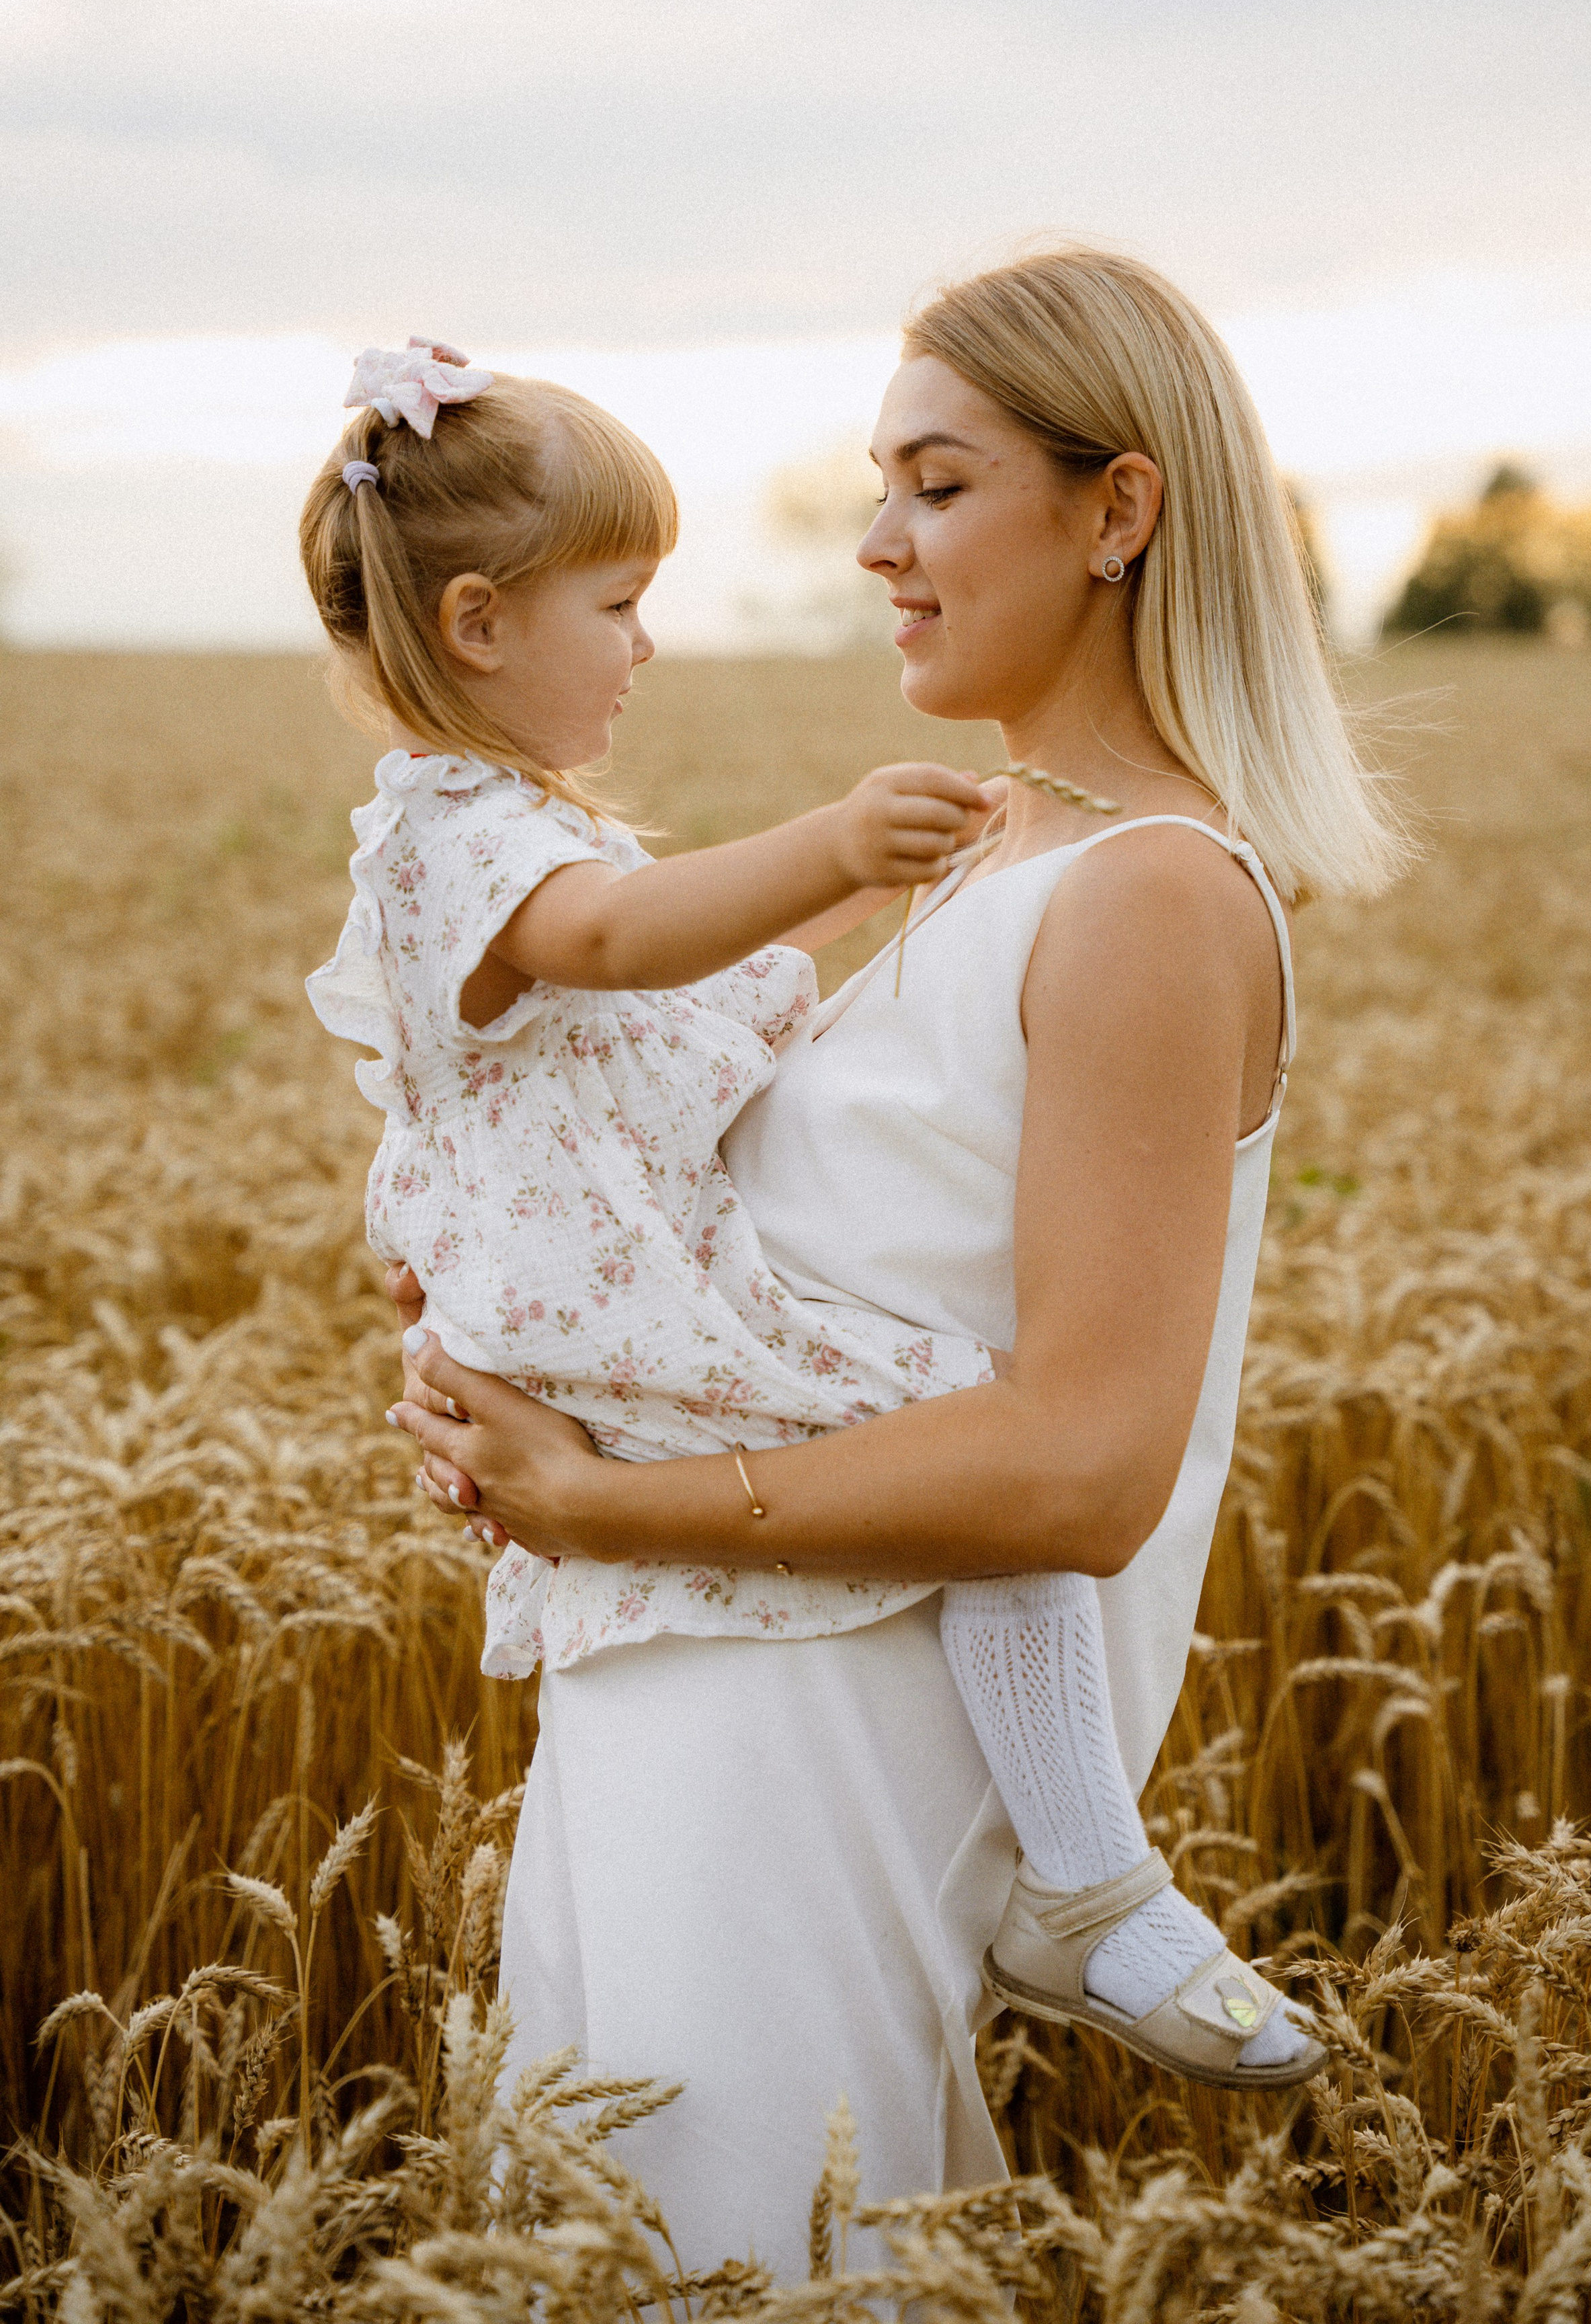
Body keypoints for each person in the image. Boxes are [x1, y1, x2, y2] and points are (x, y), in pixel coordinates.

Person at [380, 254, 1408, 2272]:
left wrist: (600, 1492)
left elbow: (1084, 1469)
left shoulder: (1145, 898)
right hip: (682, 1674)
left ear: (1118, 512)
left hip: (817, 1728)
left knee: (758, 2250)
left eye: (935, 487)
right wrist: (502, 1320)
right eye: (883, 486)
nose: (876, 544)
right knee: (625, 2248)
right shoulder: (988, 853)